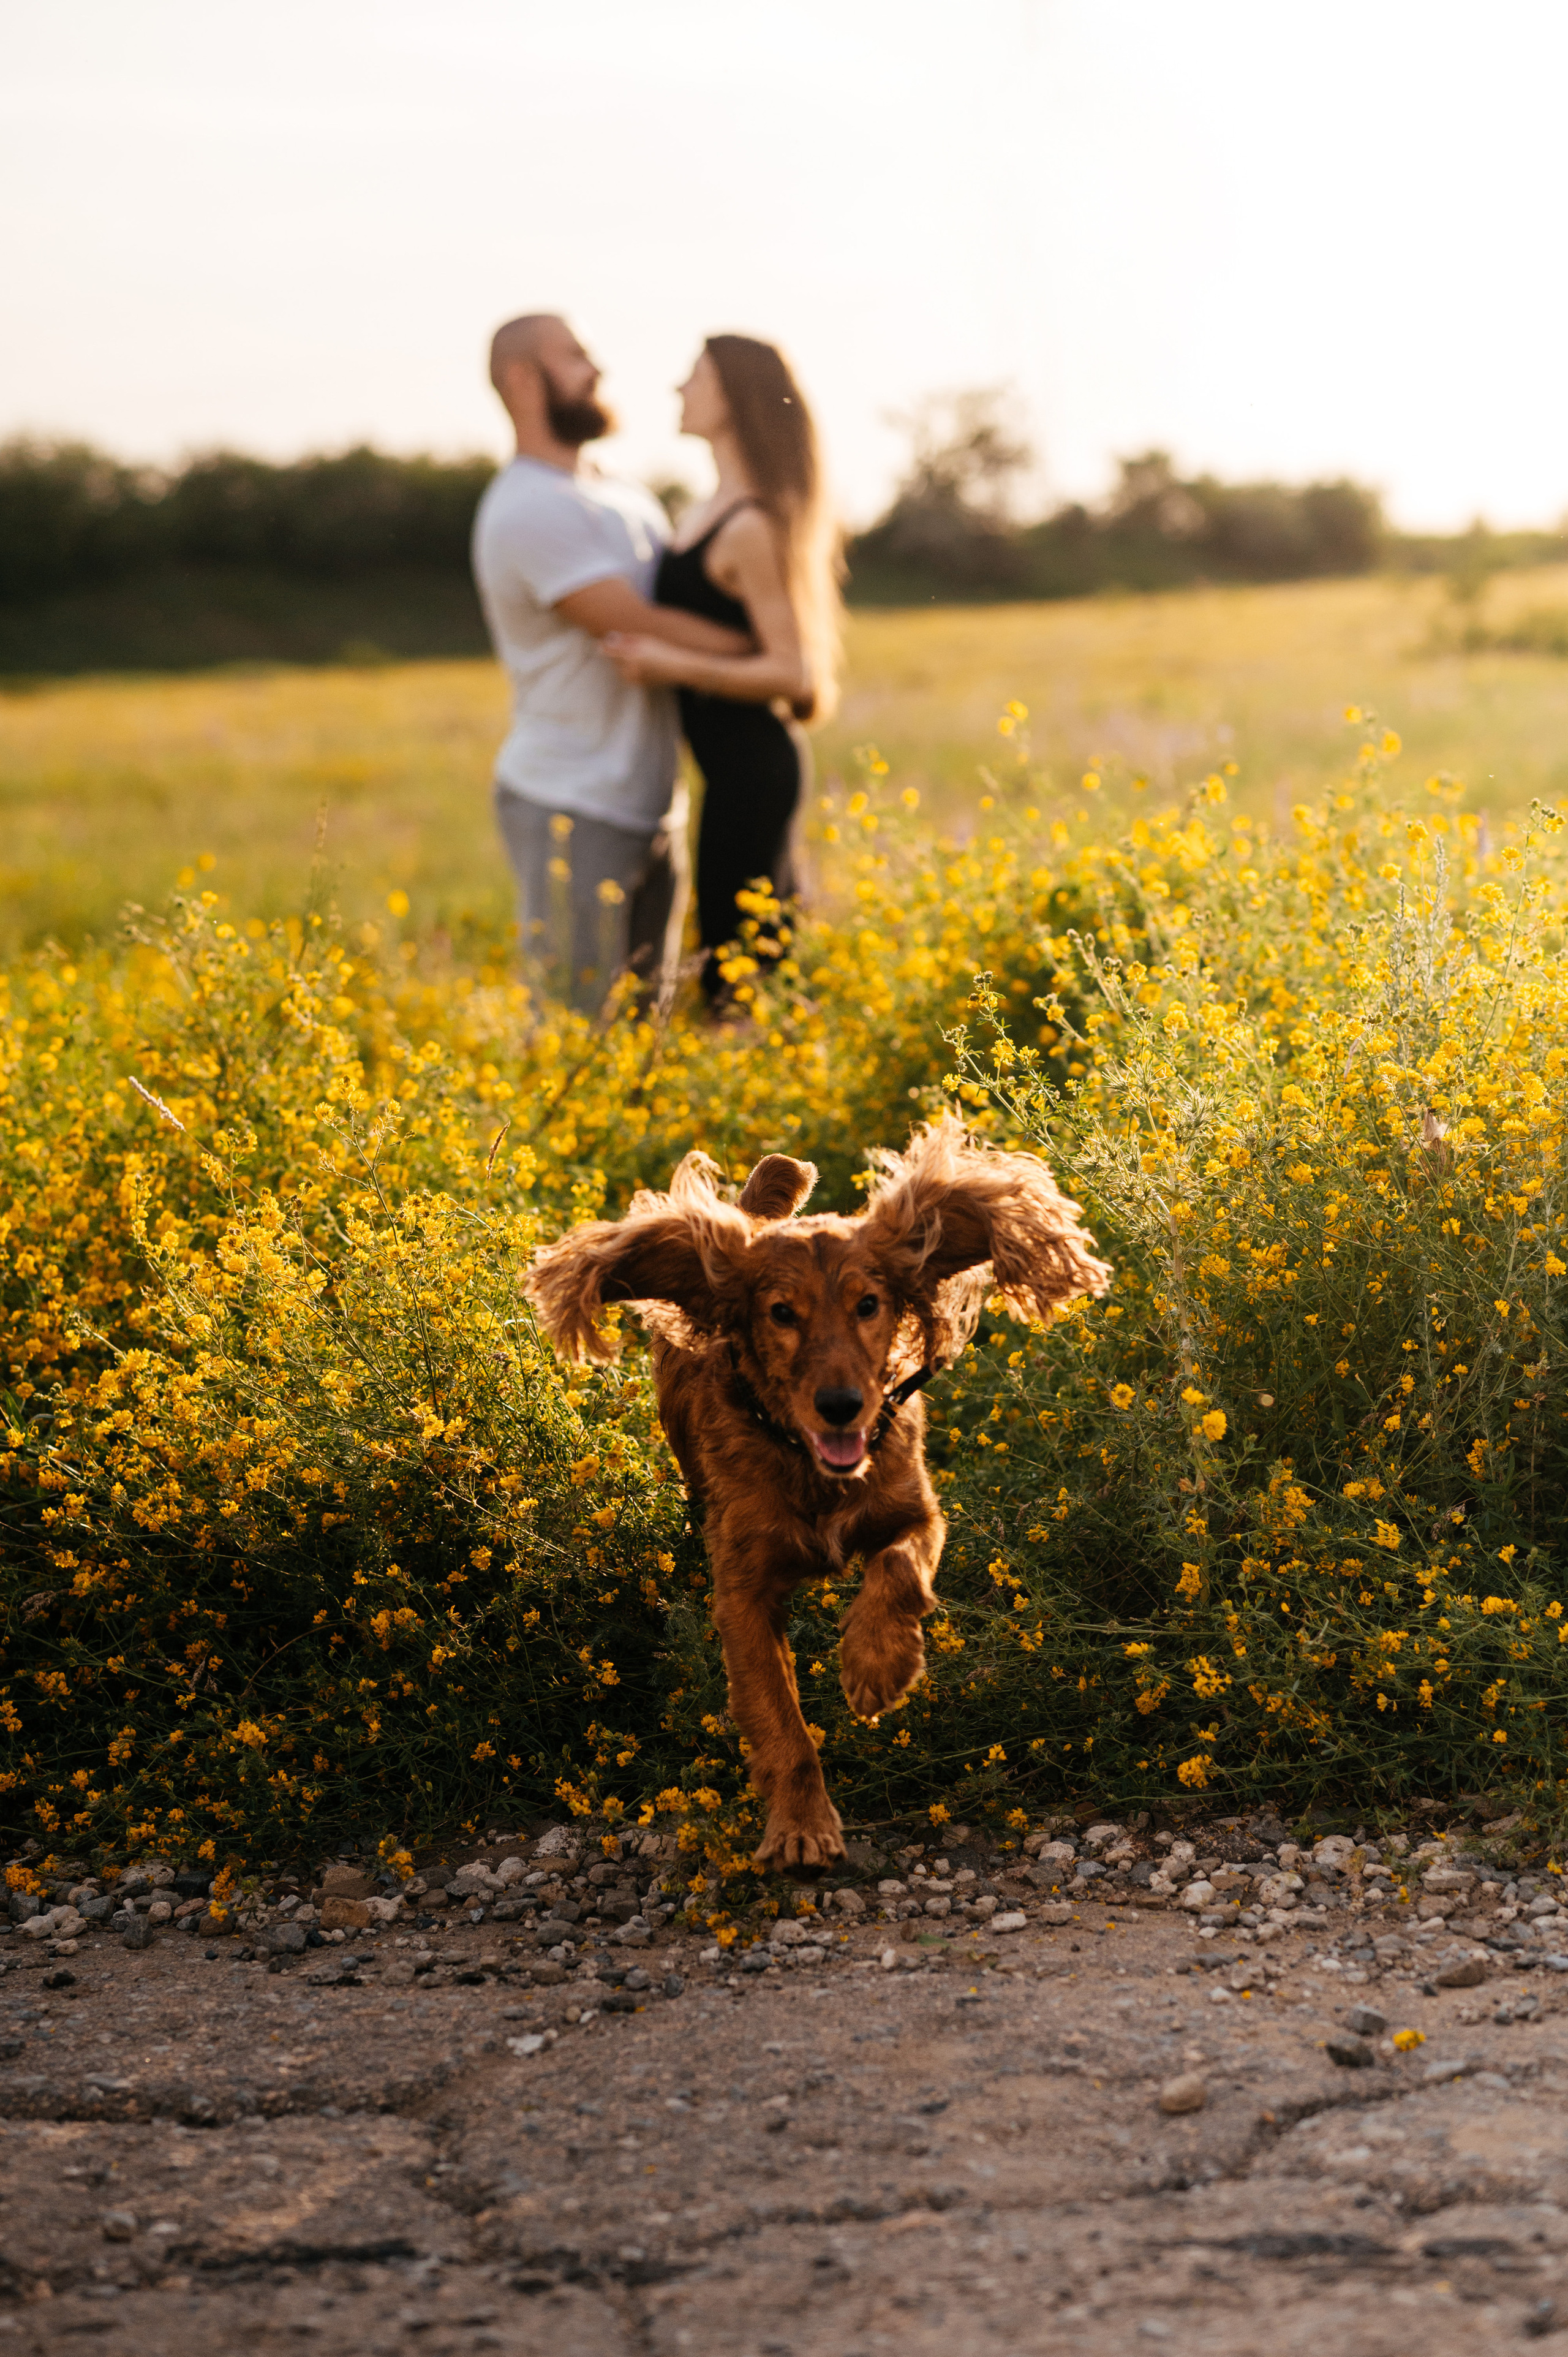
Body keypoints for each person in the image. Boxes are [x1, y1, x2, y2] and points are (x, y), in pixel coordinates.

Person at [472, 314, 752, 1011]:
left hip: (651, 801)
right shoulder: (527, 509)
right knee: (576, 1032)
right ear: (521, 379)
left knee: (642, 1033)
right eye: (572, 356)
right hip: (572, 800)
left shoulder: (622, 494)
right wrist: (768, 649)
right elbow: (641, 626)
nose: (595, 368)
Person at [601, 334, 841, 1007]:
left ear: (733, 398)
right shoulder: (703, 512)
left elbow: (793, 673)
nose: (679, 389)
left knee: (740, 971)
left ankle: (769, 1093)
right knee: (737, 958)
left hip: (753, 770)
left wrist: (667, 662)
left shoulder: (749, 526)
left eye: (695, 377)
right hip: (725, 769)